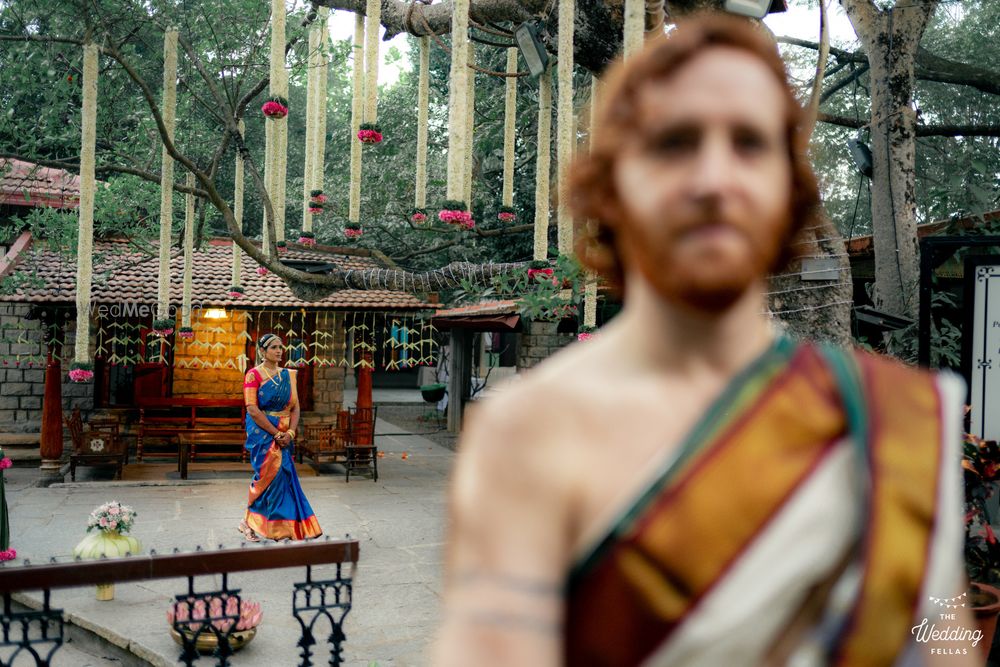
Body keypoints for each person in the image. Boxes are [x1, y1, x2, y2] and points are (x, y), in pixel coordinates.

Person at [435, 15, 976, 666]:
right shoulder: (530, 432)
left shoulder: (893, 425)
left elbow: (944, 647)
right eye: (675, 142)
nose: (715, 179)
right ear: (612, 186)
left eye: (749, 143)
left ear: (789, 190)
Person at [238, 333, 322, 542]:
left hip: (285, 434)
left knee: (281, 479)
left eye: (280, 347)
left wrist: (290, 433)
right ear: (262, 351)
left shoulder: (289, 375)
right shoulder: (253, 375)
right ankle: (250, 522)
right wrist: (275, 433)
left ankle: (279, 527)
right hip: (263, 434)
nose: (279, 351)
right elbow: (252, 409)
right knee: (265, 478)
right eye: (274, 347)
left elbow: (295, 407)